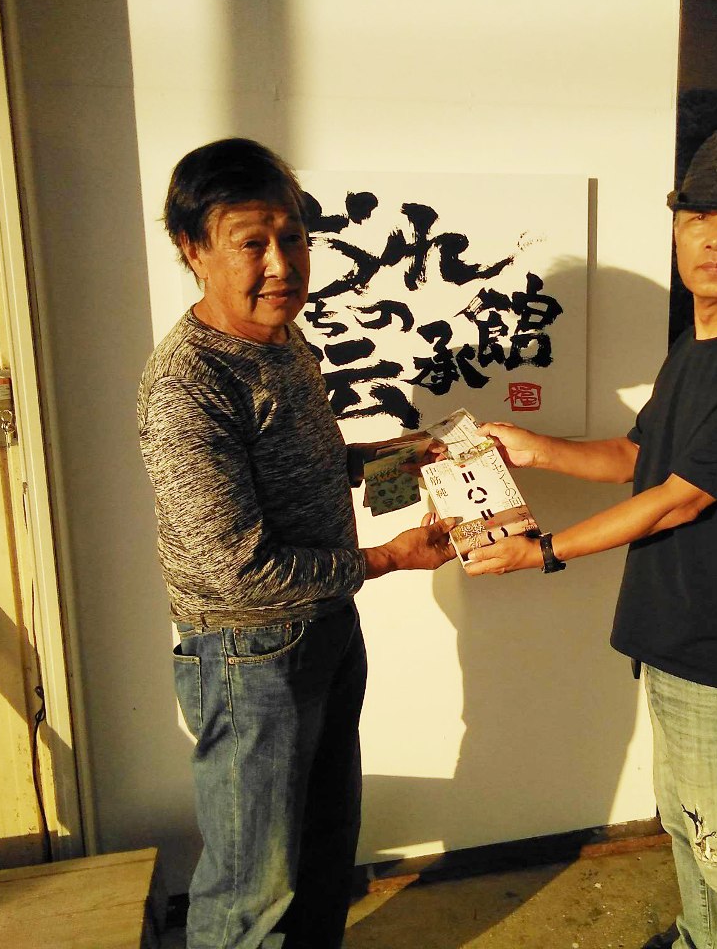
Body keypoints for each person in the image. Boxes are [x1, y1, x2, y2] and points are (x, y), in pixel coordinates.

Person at [463, 128, 717, 949]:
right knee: (686, 820)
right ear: (675, 232)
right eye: (697, 217)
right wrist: (535, 449)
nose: (714, 237)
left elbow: (677, 501)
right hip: (673, 629)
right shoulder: (695, 349)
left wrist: (543, 552)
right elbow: (639, 457)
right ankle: (700, 939)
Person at [137, 137, 455, 949]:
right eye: (252, 243)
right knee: (252, 889)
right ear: (193, 249)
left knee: (321, 852)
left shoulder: (284, 340)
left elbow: (308, 466)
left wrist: (400, 458)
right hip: (249, 659)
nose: (282, 265)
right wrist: (387, 559)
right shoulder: (188, 383)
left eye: (294, 238)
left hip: (325, 627)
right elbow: (237, 568)